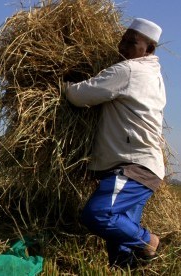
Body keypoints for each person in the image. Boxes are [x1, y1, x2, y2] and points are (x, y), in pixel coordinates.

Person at [64, 18, 165, 268]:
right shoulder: (155, 75)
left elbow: (79, 96)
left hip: (132, 167)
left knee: (99, 214)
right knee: (120, 244)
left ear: (148, 49)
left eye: (132, 43)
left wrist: (65, 83)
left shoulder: (129, 70)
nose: (123, 46)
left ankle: (148, 241)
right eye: (123, 39)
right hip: (145, 167)